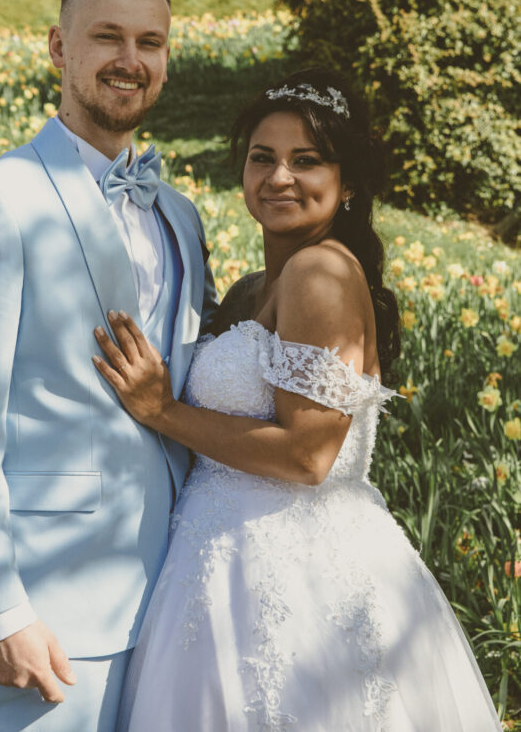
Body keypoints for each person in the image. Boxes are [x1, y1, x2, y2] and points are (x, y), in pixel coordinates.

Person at [94, 68, 503, 732]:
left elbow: (309, 456)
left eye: (305, 160)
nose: (279, 176)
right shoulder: (251, 288)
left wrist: (160, 410)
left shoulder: (320, 272)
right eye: (263, 158)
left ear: (345, 185)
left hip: (296, 578)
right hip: (212, 568)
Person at [0, 0, 218, 732]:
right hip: (46, 606)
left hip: (173, 596)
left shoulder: (179, 214)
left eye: (149, 41)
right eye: (106, 37)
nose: (129, 60)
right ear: (57, 49)